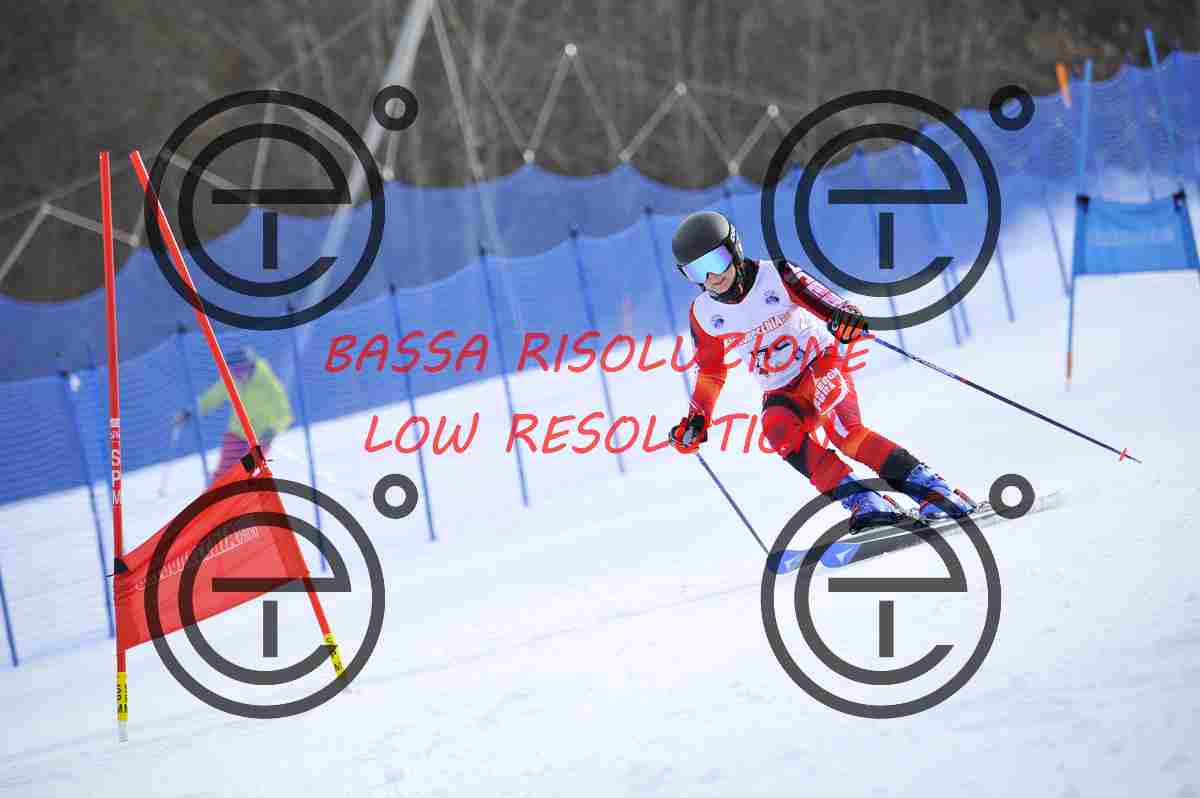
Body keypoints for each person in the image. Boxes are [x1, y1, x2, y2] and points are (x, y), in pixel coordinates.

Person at [666, 211, 975, 532]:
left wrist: (846, 319)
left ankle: (934, 490)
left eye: (716, 261)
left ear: (734, 249)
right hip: (781, 389)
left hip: (819, 364)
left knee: (845, 433)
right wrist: (697, 420)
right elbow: (711, 371)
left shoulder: (777, 275)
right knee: (777, 430)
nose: (712, 277)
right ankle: (864, 500)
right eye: (697, 270)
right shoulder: (703, 313)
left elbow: (830, 304)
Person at [174, 346, 293, 484]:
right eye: (235, 371)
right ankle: (214, 495)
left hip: (260, 439)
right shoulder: (232, 380)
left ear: (251, 366)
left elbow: (285, 414)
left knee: (244, 473)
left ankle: (243, 495)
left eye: (242, 370)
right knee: (223, 473)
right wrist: (190, 412)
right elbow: (212, 397)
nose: (239, 375)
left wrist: (272, 430)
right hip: (237, 433)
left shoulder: (268, 383)